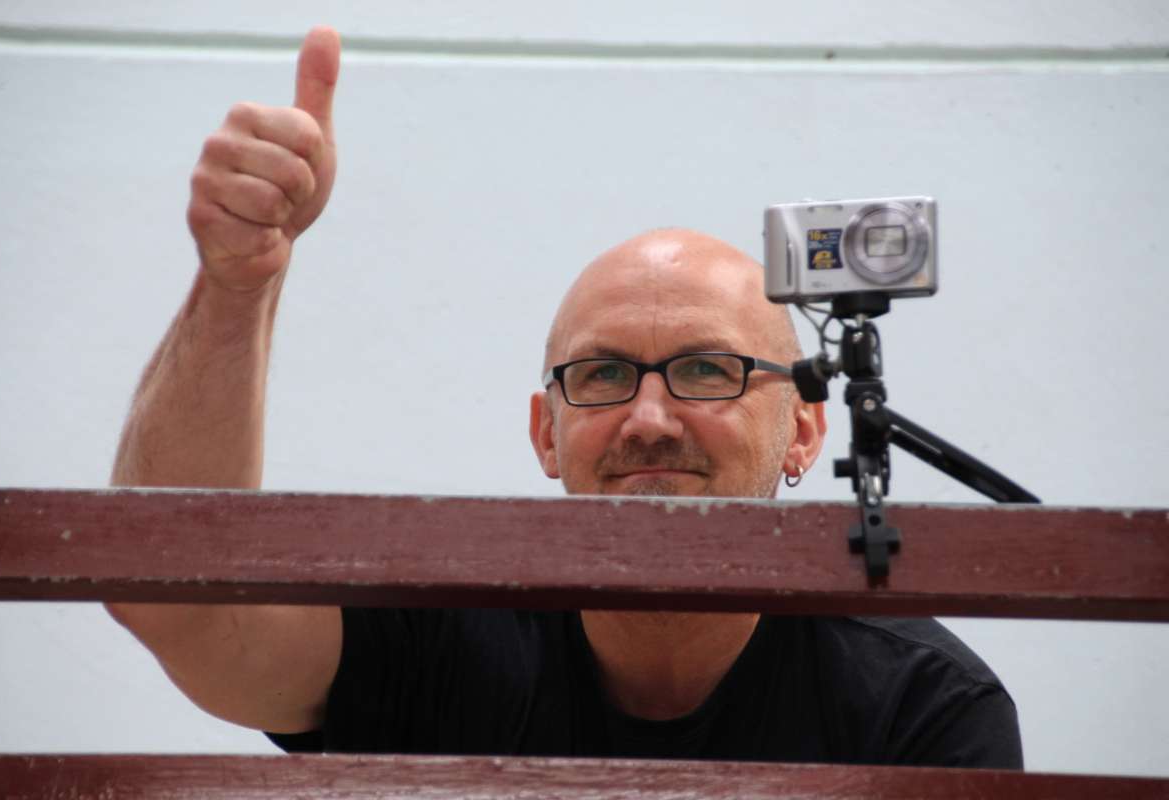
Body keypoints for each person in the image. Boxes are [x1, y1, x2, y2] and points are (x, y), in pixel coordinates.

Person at [106, 27, 1022, 767]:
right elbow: (180, 606)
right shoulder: (441, 637)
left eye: (709, 371)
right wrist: (239, 285)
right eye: (604, 376)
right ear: (546, 433)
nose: (649, 419)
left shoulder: (922, 705)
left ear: (805, 430)